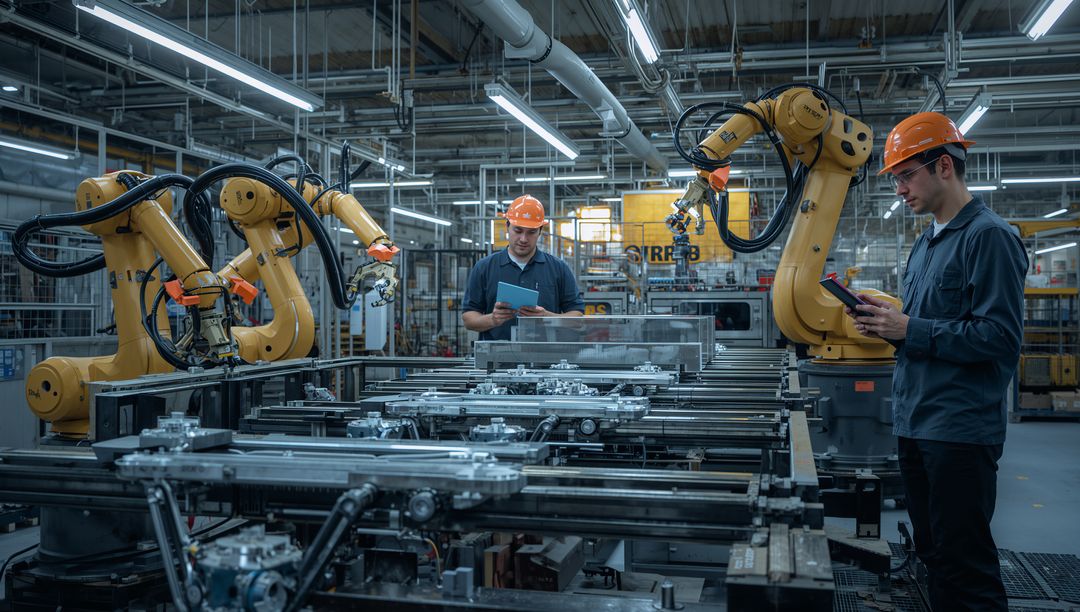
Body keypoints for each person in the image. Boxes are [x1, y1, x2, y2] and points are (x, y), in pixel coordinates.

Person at [850, 112, 1027, 612]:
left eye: (906, 175)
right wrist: (891, 323)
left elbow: (998, 339)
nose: (900, 189)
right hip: (916, 422)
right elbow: (928, 328)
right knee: (932, 555)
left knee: (964, 566)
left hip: (959, 432)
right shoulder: (926, 243)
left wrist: (912, 329)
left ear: (943, 166)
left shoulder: (988, 237)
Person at [462, 195, 584, 341]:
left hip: (547, 357)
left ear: (540, 231)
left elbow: (577, 317)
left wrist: (547, 316)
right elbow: (469, 318)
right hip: (498, 358)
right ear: (507, 226)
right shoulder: (484, 268)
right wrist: (493, 319)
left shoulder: (558, 269)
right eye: (518, 231)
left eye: (531, 232)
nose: (524, 239)